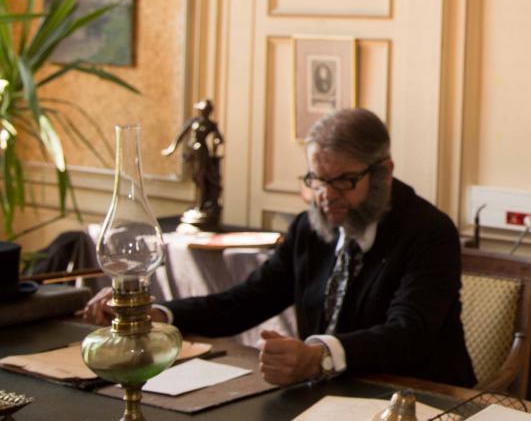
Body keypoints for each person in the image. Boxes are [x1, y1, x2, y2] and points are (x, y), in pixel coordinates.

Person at [83, 108, 475, 388]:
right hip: (333, 397)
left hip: (420, 398)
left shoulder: (428, 232)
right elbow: (246, 301)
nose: (326, 197)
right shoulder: (311, 228)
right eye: (317, 180)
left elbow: (408, 334)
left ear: (383, 173)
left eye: (342, 181)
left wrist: (319, 355)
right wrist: (159, 313)